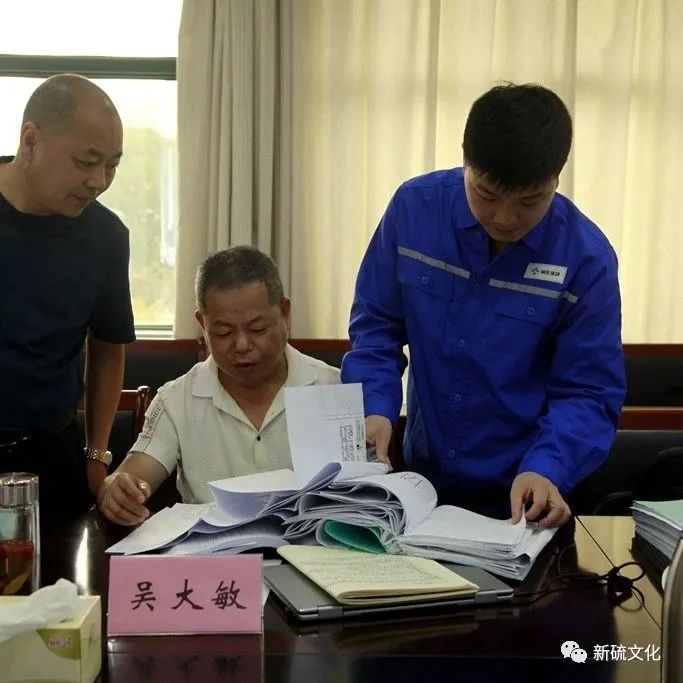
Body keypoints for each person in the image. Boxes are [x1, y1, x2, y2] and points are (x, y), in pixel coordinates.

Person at [341, 83, 626, 528]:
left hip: (523, 496)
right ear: (465, 163)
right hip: (422, 482)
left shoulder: (586, 259)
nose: (505, 218)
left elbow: (588, 391)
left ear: (556, 178)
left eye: (529, 201)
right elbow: (376, 326)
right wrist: (374, 408)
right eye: (487, 194)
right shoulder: (414, 211)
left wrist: (547, 466)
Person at [97, 246, 341, 525]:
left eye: (258, 329)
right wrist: (115, 490)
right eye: (223, 332)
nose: (242, 345)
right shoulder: (176, 400)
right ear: (202, 324)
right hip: (214, 551)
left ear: (285, 313)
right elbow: (132, 475)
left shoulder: (334, 388)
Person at [0, 74, 135, 510]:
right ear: (30, 140)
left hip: (51, 456)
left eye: (111, 165)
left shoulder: (105, 237)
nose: (99, 181)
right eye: (86, 162)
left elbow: (108, 349)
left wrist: (97, 456)